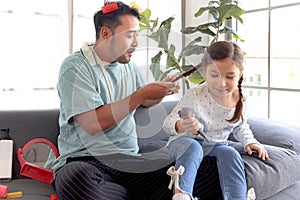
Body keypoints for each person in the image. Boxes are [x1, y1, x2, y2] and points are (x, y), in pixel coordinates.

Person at [45, 1, 181, 199]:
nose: (136, 43)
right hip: (85, 161)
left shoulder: (127, 64)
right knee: (75, 179)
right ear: (106, 34)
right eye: (129, 35)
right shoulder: (75, 67)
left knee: (196, 168)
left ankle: (124, 193)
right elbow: (92, 124)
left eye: (136, 35)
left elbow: (143, 102)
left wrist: (157, 93)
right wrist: (141, 94)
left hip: (129, 162)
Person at [163, 41, 269, 200]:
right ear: (205, 71)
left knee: (231, 153)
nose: (221, 83)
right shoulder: (195, 95)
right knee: (193, 147)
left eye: (230, 76)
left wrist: (249, 142)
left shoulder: (240, 100)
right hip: (184, 141)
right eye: (214, 75)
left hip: (214, 145)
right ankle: (181, 194)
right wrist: (180, 125)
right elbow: (168, 124)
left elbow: (240, 127)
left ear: (240, 73)